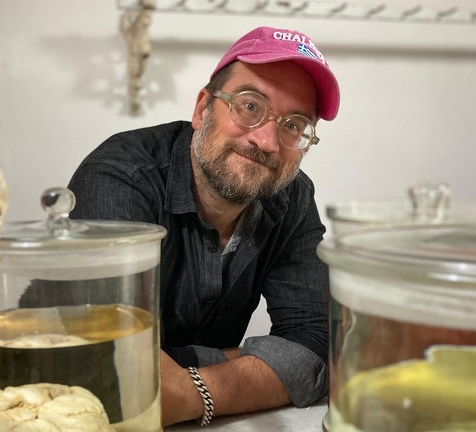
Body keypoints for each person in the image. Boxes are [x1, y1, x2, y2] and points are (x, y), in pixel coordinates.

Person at [68, 25, 340, 427]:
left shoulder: (292, 197)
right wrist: (243, 359)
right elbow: (113, 371)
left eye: (294, 125)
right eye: (250, 106)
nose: (267, 140)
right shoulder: (120, 176)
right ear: (202, 109)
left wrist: (192, 389)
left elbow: (318, 348)